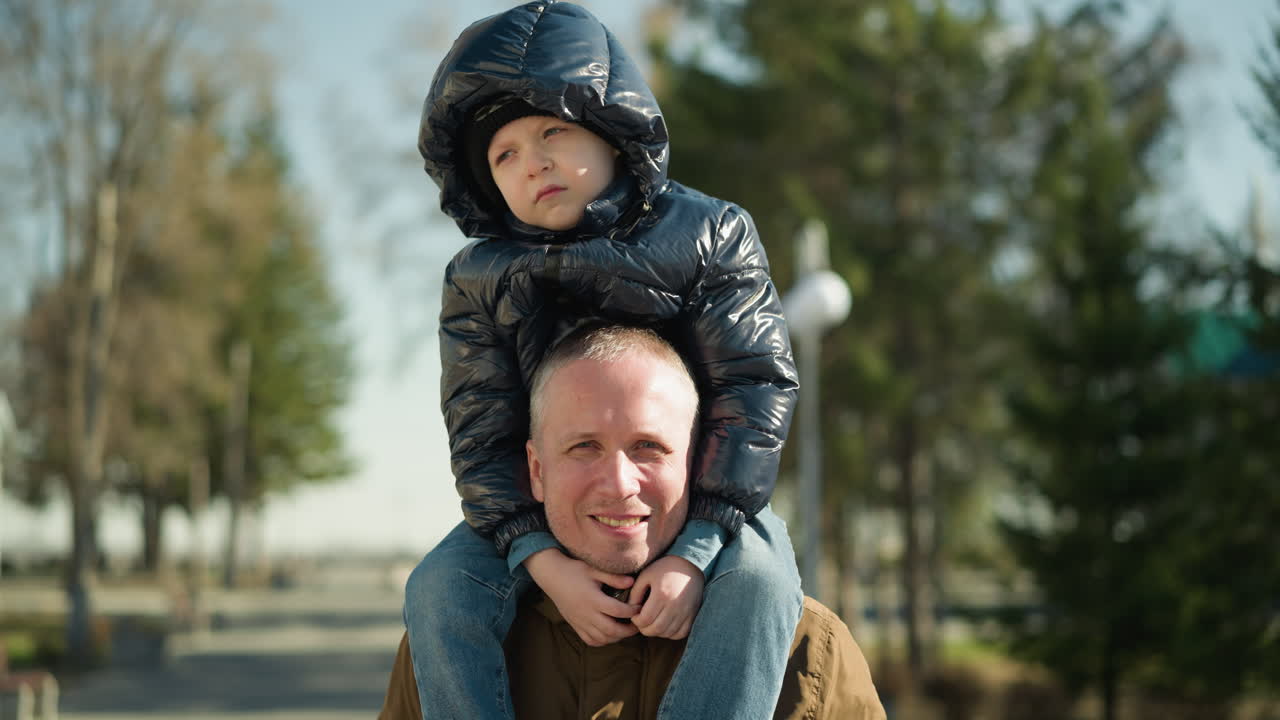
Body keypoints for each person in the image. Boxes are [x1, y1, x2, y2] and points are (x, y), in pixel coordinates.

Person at [408, 2, 803, 718]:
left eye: (553, 131)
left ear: (613, 128)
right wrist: (540, 560)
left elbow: (755, 386)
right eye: (505, 154)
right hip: (542, 517)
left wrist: (701, 545)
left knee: (764, 586)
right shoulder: (477, 279)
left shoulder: (711, 234)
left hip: (705, 498)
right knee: (436, 590)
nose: (535, 164)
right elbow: (481, 432)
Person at [386, 326, 884, 720]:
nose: (620, 483)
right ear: (536, 471)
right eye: (584, 447)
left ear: (697, 464)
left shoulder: (807, 650)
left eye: (649, 447)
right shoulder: (454, 639)